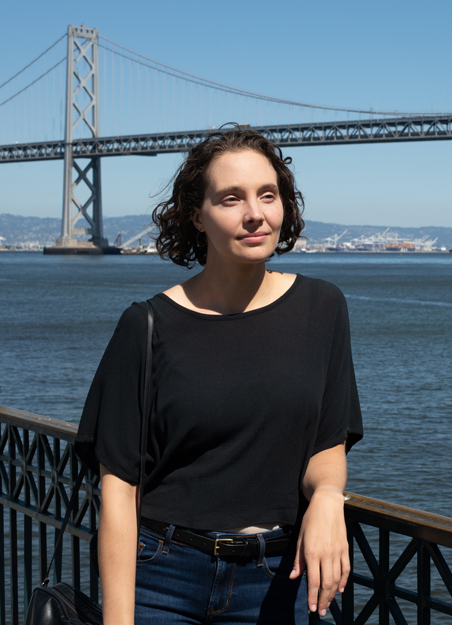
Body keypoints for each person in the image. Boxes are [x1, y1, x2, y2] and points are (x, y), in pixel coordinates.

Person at [73, 127, 363, 625]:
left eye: (267, 195)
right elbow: (118, 489)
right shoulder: (146, 325)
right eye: (231, 198)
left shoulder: (323, 308)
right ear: (196, 215)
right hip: (163, 580)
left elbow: (326, 445)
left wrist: (329, 498)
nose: (255, 213)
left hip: (279, 579)